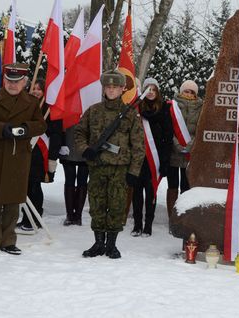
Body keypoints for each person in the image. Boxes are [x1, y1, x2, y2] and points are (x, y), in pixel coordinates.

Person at [0, 63, 47, 255]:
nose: (13, 85)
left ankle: (8, 240)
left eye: (17, 81)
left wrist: (26, 128)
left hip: (18, 155)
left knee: (13, 199)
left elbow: (41, 125)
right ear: (4, 80)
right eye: (9, 81)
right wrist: (1, 128)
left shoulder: (31, 102)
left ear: (24, 82)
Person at [75, 70, 145, 259]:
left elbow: (139, 146)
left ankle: (112, 244)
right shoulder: (93, 111)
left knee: (116, 206)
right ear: (104, 88)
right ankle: (98, 243)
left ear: (123, 89)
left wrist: (134, 172)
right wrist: (85, 149)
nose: (111, 90)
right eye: (108, 87)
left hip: (119, 169)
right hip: (97, 167)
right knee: (97, 204)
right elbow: (79, 133)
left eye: (115, 87)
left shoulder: (130, 115)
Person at [129, 78, 173, 237]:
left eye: (154, 90)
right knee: (136, 191)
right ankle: (137, 225)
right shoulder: (137, 109)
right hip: (138, 157)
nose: (151, 93)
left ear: (158, 92)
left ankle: (148, 225)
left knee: (151, 191)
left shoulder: (164, 109)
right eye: (148, 89)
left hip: (155, 159)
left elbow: (168, 137)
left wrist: (165, 160)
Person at [17, 78, 63, 231]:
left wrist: (52, 157)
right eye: (33, 88)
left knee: (34, 185)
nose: (35, 91)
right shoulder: (25, 105)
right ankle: (25, 217)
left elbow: (56, 134)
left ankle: (35, 218)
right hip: (25, 151)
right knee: (24, 186)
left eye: (39, 89)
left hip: (40, 153)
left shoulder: (50, 109)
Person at [168, 80, 203, 217]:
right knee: (172, 185)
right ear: (181, 91)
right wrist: (176, 144)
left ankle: (183, 217)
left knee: (186, 185)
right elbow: (168, 127)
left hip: (190, 153)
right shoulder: (172, 106)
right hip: (173, 151)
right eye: (186, 91)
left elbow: (200, 129)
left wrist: (190, 145)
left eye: (191, 92)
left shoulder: (201, 107)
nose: (188, 94)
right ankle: (172, 215)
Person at [60, 126, 88, 226]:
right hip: (71, 145)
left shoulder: (91, 110)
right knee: (74, 181)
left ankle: (74, 216)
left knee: (77, 181)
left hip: (80, 146)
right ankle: (73, 216)